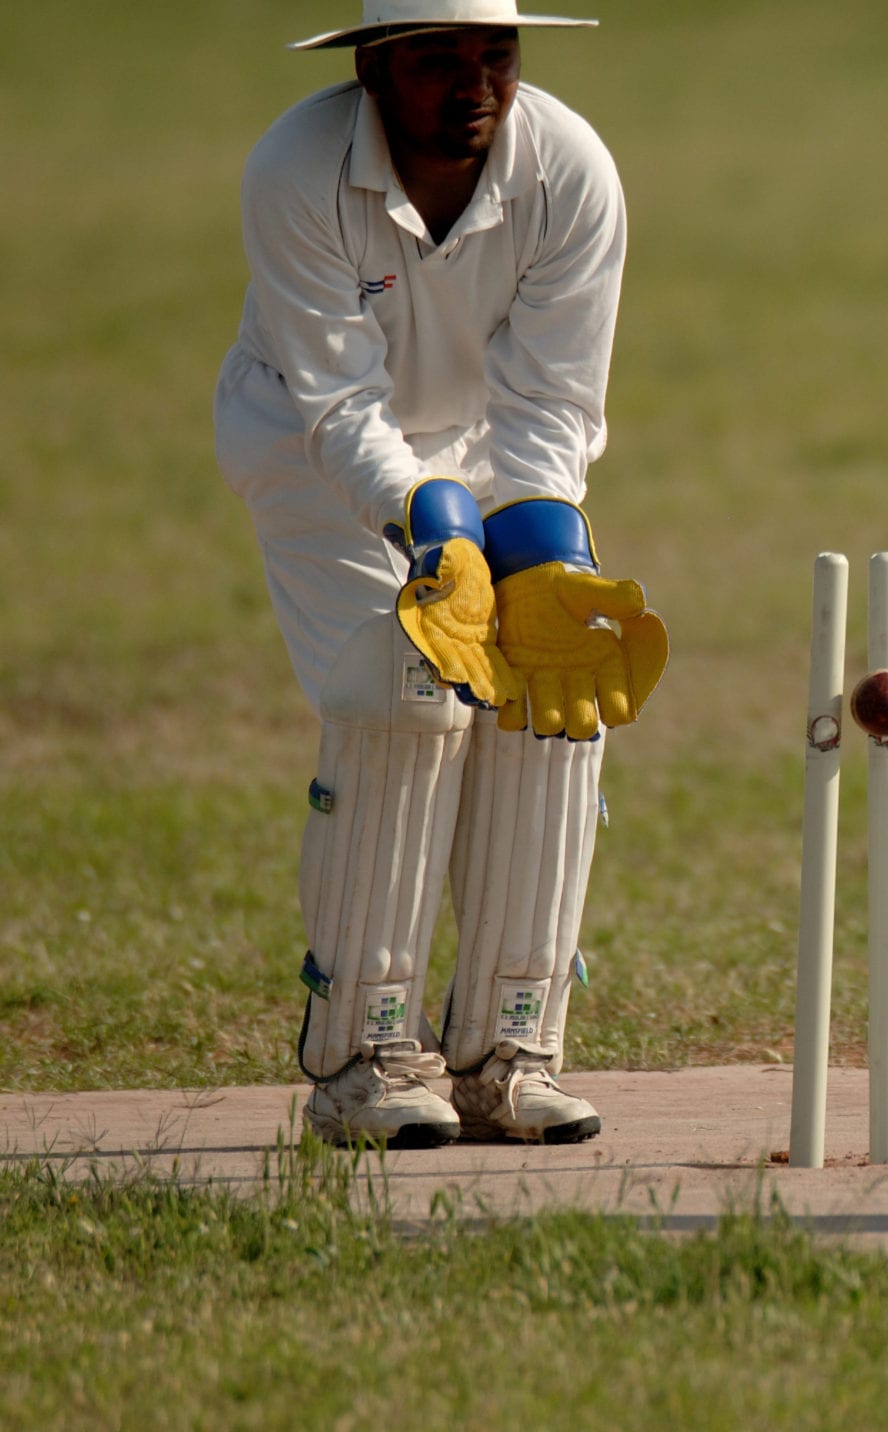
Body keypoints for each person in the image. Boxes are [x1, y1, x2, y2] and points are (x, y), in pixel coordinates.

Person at [215, 1, 665, 1148]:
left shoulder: (569, 166)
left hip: (485, 458)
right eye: (436, 60)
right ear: (373, 65)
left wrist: (542, 548)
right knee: (402, 690)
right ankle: (365, 1056)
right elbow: (334, 398)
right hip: (316, 458)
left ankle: (512, 1047)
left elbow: (555, 401)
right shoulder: (297, 167)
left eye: (494, 55)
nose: (474, 84)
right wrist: (428, 524)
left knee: (555, 687)